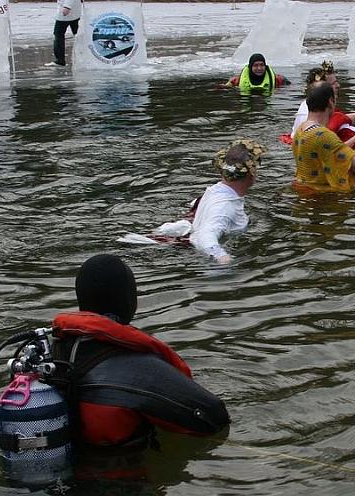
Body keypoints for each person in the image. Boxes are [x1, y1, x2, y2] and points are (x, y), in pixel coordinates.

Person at [49, 254, 230, 447]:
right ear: (127, 300)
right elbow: (214, 418)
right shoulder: (141, 369)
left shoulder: (51, 352)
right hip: (122, 466)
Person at [292, 81, 355, 194]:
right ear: (330, 102)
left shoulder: (301, 130)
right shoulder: (323, 136)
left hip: (307, 194)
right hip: (327, 199)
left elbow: (334, 150)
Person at [188, 138, 265, 264]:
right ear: (251, 174)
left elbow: (196, 206)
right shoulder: (224, 207)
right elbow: (205, 237)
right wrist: (224, 259)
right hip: (210, 266)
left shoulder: (214, 191)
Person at [290, 61, 355, 149]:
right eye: (333, 83)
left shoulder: (312, 106)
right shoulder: (321, 129)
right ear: (322, 89)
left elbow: (342, 119)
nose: (338, 85)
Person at [221, 53, 290, 92]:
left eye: (262, 65)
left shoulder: (279, 79)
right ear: (250, 67)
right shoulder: (235, 81)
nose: (259, 68)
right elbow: (223, 88)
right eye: (255, 65)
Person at [52, 0, 82, 66]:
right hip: (74, 12)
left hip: (66, 14)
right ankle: (84, 56)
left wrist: (67, 6)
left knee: (58, 35)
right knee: (78, 34)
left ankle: (60, 60)